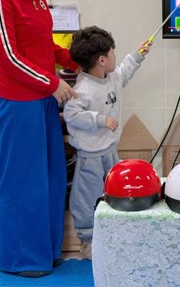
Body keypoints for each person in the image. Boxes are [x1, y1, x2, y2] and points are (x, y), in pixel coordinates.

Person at [0, 0, 79, 278]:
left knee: (50, 178)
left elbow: (41, 45)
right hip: (17, 104)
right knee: (23, 182)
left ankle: (45, 252)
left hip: (41, 101)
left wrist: (77, 62)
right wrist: (53, 84)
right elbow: (7, 57)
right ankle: (21, 259)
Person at [63, 26, 151, 260]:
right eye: (113, 52)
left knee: (114, 193)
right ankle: (88, 240)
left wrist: (138, 55)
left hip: (110, 151)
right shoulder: (82, 89)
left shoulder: (112, 78)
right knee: (87, 198)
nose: (115, 56)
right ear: (102, 60)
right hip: (90, 156)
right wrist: (100, 120)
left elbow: (125, 70)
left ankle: (112, 235)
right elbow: (72, 114)